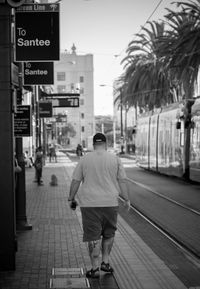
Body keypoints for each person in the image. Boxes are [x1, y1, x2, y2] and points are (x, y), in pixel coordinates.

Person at [68, 133, 130, 278]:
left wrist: (71, 198)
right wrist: (126, 199)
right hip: (110, 203)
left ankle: (95, 268)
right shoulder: (115, 159)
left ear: (93, 144)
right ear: (106, 144)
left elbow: (76, 180)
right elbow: (122, 181)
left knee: (93, 236)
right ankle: (105, 263)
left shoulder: (84, 159)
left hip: (89, 204)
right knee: (109, 233)